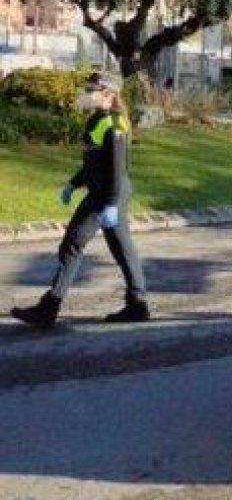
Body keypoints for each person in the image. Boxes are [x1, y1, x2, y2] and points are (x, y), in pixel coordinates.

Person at [10, 72, 149, 329]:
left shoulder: (114, 124)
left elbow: (117, 170)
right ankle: (138, 305)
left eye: (92, 90)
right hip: (102, 191)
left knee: (72, 244)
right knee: (122, 248)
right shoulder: (97, 120)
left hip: (109, 194)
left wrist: (111, 203)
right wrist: (73, 184)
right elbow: (93, 164)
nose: (86, 93)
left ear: (108, 94)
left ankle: (49, 308)